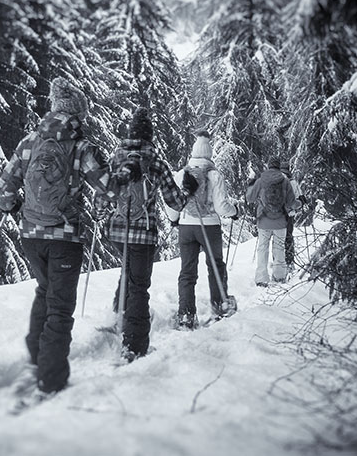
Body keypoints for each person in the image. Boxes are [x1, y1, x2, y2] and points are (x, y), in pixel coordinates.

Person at [0, 77, 131, 395]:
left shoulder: (29, 141)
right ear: (77, 115)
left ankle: (37, 358)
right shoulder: (82, 147)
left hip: (30, 235)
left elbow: (7, 182)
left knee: (44, 291)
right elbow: (108, 189)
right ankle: (52, 378)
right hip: (64, 237)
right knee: (59, 306)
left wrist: (12, 205)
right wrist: (124, 174)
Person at [97, 107, 196, 361]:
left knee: (126, 272)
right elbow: (175, 201)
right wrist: (188, 190)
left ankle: (117, 317)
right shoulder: (156, 163)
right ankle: (134, 345)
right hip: (143, 232)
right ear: (150, 137)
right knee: (139, 286)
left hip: (118, 231)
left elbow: (103, 194)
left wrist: (100, 213)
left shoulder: (115, 160)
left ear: (130, 135)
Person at [166, 131, 239, 329]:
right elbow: (222, 206)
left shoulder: (182, 174)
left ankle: (186, 315)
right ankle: (220, 305)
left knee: (187, 271)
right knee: (215, 265)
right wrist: (234, 212)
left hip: (187, 226)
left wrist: (174, 220)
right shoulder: (214, 174)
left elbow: (172, 202)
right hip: (209, 227)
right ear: (209, 153)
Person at [245, 157, 301, 286]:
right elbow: (292, 203)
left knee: (263, 248)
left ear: (268, 166)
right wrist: (300, 203)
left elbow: (250, 198)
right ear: (278, 166)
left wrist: (251, 185)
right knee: (279, 248)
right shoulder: (285, 181)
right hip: (281, 221)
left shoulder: (260, 181)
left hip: (263, 220)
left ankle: (261, 278)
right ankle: (279, 276)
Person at [280, 161, 306, 270]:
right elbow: (301, 198)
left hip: (275, 214)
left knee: (278, 239)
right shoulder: (292, 182)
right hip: (289, 214)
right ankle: (289, 262)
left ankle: (278, 262)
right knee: (288, 237)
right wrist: (302, 202)